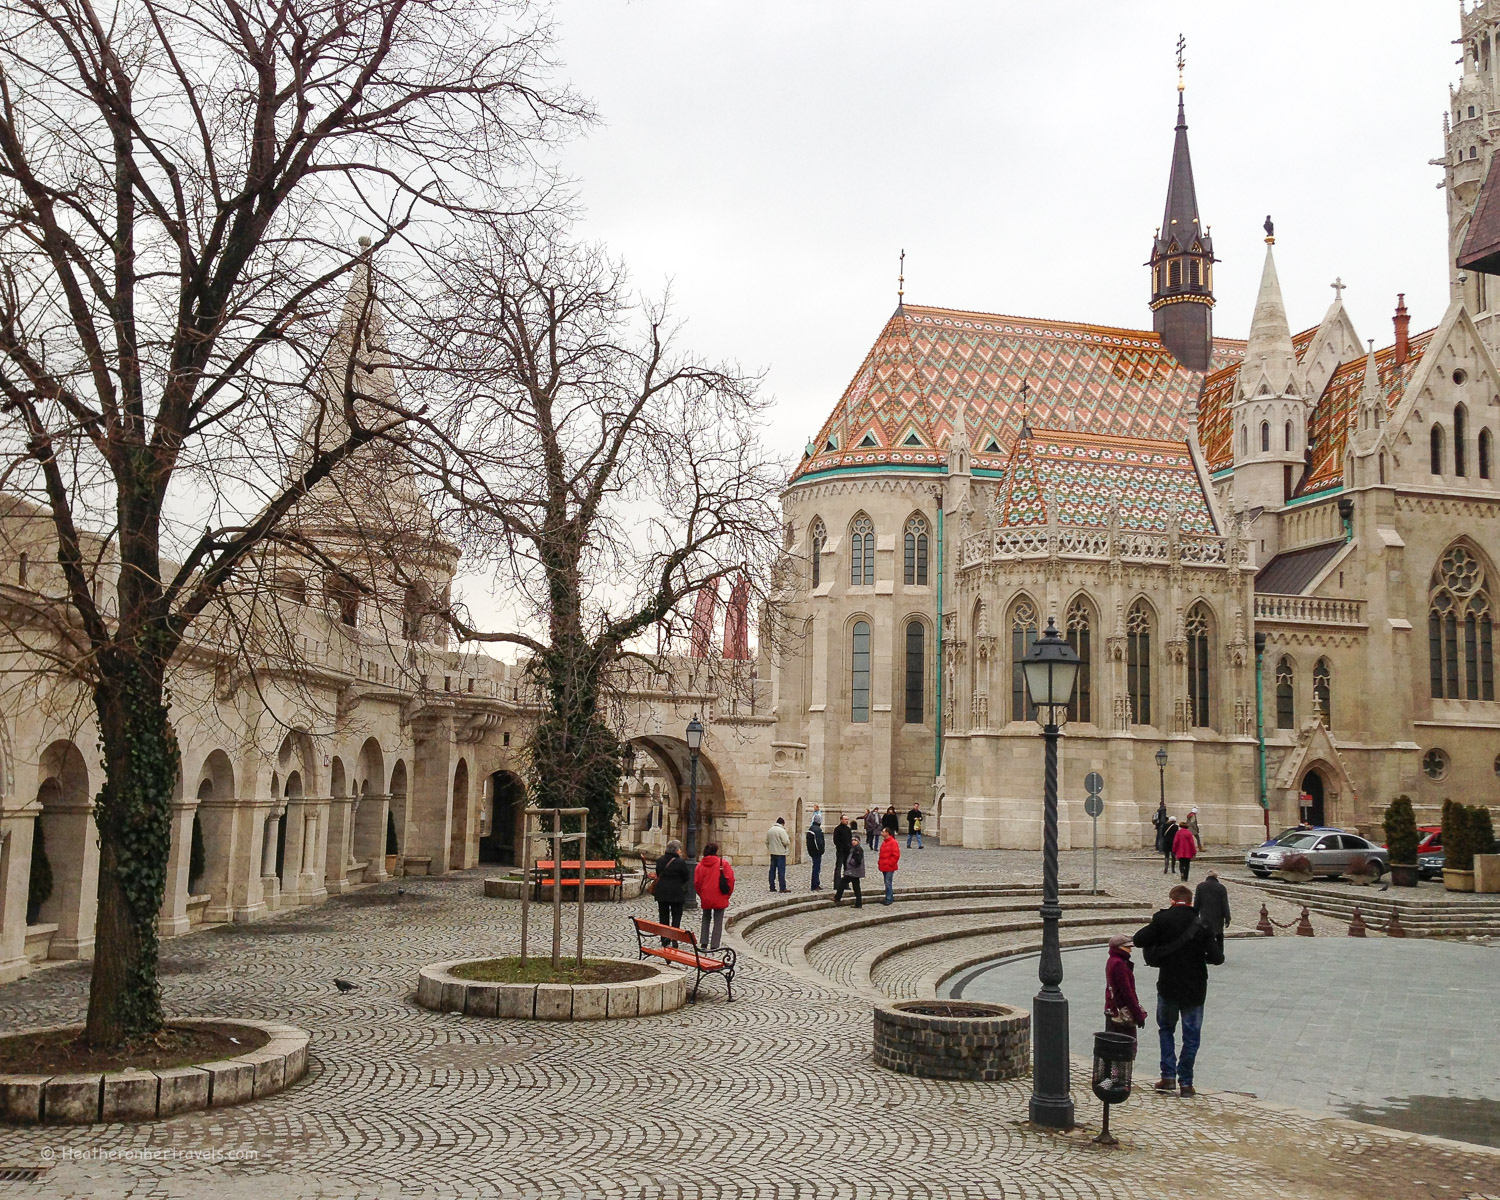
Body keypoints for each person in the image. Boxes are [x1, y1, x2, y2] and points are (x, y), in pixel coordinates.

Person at [1133, 884, 1222, 1098]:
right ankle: (1187, 1083)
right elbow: (1218, 958)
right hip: (1195, 988)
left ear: (1172, 900)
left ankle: (1168, 1076)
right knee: (1192, 1036)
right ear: (1191, 901)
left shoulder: (1162, 919)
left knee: (1166, 1030)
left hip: (1169, 986)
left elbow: (1138, 939)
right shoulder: (1203, 924)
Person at [1103, 934, 1148, 1041]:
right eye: (1127, 947)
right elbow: (1127, 992)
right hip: (1121, 1013)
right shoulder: (1119, 964)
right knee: (1126, 1046)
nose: (1130, 951)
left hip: (1112, 1009)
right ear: (1118, 948)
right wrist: (1138, 1014)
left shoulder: (1112, 961)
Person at [693, 842, 735, 950]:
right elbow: (730, 880)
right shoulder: (723, 863)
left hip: (706, 895)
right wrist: (727, 894)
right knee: (718, 920)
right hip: (720, 895)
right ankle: (715, 944)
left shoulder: (700, 865)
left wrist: (701, 894)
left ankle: (704, 941)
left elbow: (697, 883)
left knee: (706, 918)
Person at [653, 839, 692, 945]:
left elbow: (658, 873)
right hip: (676, 893)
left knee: (663, 915)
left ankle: (664, 938)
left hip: (662, 892)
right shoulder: (680, 862)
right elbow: (686, 876)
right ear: (676, 850)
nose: (680, 851)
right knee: (676, 916)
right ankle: (674, 937)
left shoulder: (660, 860)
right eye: (679, 849)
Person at [1193, 870, 1231, 960]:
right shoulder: (1221, 887)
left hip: (1205, 915)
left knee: (1206, 936)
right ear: (1216, 877)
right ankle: (1219, 954)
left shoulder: (1200, 886)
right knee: (1219, 936)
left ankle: (1207, 954)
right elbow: (1225, 903)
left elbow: (1197, 903)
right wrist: (1227, 918)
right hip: (1218, 915)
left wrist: (1194, 915)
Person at [835, 832, 865, 907]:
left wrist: (851, 862)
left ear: (858, 841)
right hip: (854, 871)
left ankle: (837, 898)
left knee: (842, 882)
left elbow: (858, 860)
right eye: (852, 840)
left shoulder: (858, 849)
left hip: (853, 871)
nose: (853, 841)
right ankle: (859, 903)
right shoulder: (854, 848)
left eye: (855, 840)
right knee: (856, 887)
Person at [766, 817, 791, 893]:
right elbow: (786, 841)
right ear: (783, 823)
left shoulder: (770, 830)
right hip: (780, 853)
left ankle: (772, 886)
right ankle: (782, 888)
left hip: (773, 853)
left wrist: (771, 848)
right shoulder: (781, 830)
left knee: (772, 870)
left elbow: (766, 842)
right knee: (781, 871)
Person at [878, 826, 901, 904]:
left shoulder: (893, 842)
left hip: (889, 866)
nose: (882, 833)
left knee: (888, 882)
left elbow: (896, 855)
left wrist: (890, 863)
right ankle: (889, 897)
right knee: (887, 882)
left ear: (887, 833)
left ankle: (889, 899)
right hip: (884, 866)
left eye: (883, 832)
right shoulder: (884, 842)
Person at [806, 814, 826, 891]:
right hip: (816, 852)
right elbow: (819, 842)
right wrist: (821, 850)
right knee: (816, 868)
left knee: (816, 868)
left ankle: (815, 883)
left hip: (812, 851)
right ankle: (815, 885)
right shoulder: (817, 830)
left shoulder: (811, 828)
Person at [832, 815, 853, 889]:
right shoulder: (837, 829)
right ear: (841, 820)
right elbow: (836, 840)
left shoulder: (848, 829)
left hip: (847, 851)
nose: (847, 821)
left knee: (847, 868)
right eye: (845, 819)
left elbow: (850, 839)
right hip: (840, 851)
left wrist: (850, 847)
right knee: (838, 867)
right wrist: (841, 847)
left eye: (847, 819)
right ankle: (837, 884)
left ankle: (845, 884)